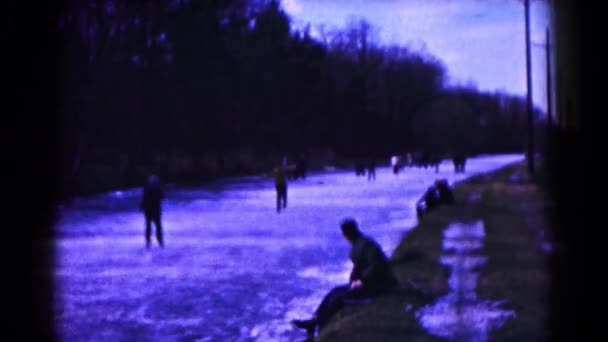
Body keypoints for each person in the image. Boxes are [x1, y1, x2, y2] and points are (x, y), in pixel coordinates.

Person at [291, 219, 397, 339]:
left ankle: (321, 328)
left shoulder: (366, 245)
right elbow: (361, 266)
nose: (345, 235)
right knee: (334, 292)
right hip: (369, 282)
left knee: (339, 298)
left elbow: (376, 265)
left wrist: (362, 279)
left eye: (346, 232)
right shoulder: (359, 244)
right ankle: (315, 321)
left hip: (379, 285)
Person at [140, 175, 165, 248]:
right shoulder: (158, 189)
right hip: (156, 210)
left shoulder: (147, 188)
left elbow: (143, 199)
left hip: (148, 210)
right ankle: (160, 242)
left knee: (148, 226)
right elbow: (163, 197)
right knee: (158, 226)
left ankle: (148, 242)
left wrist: (141, 207)